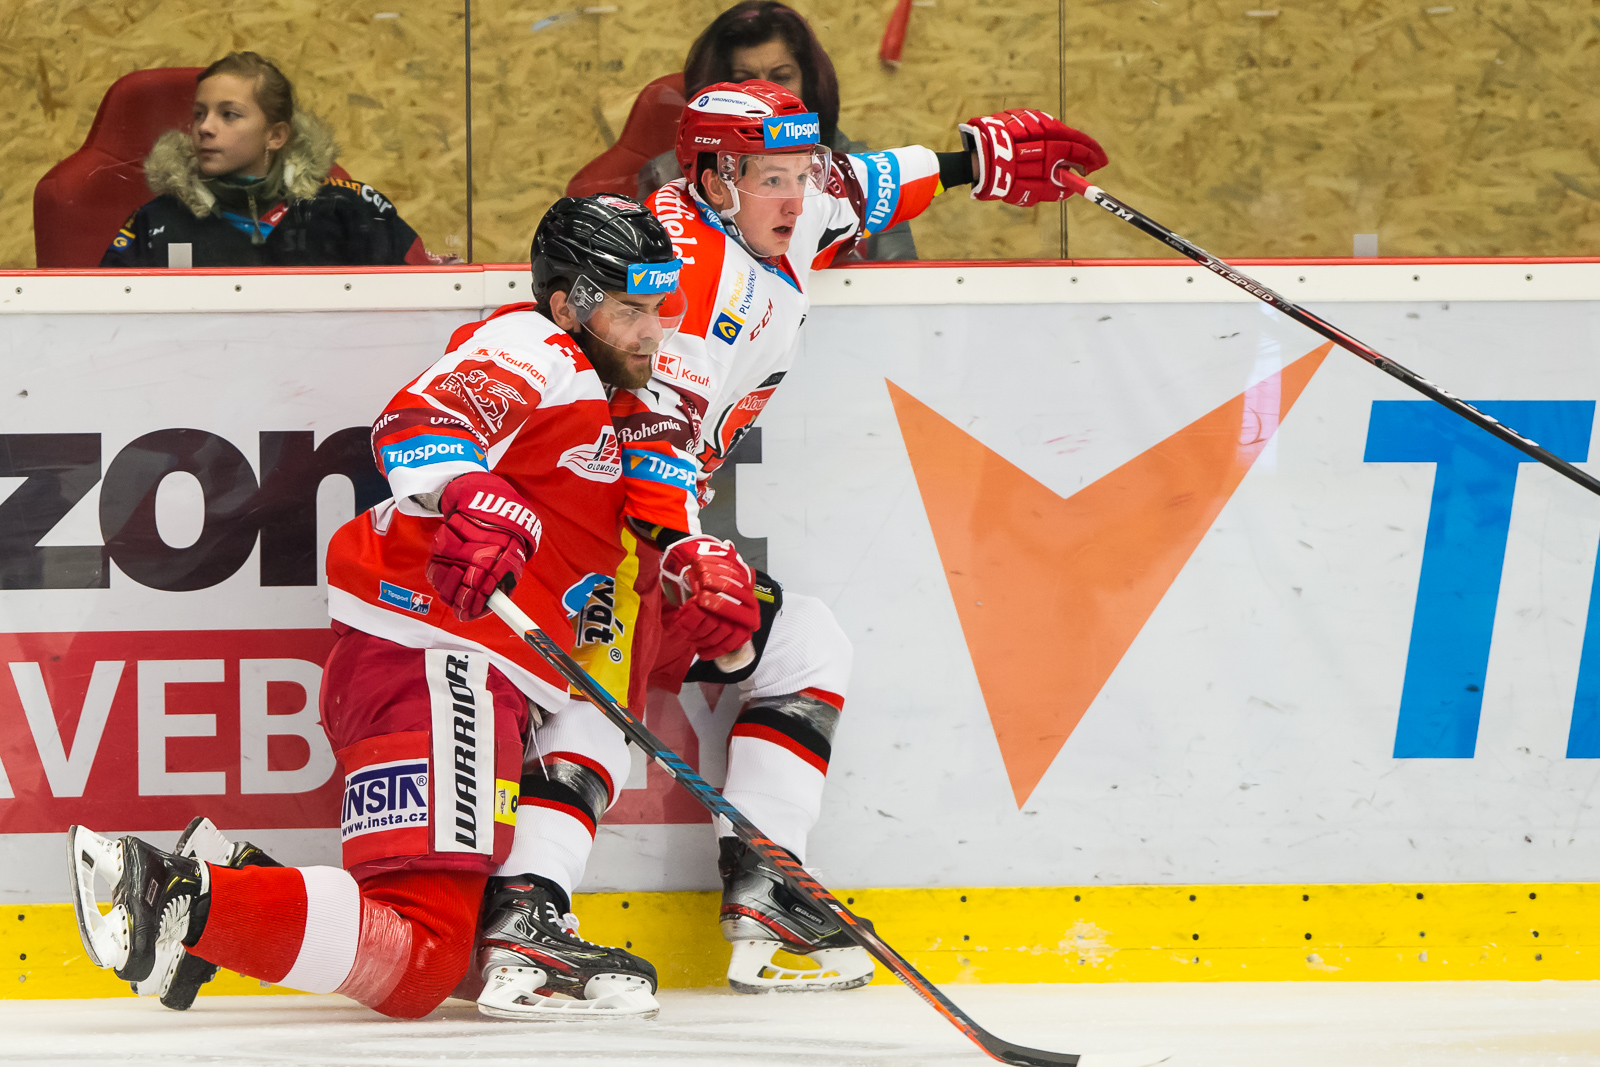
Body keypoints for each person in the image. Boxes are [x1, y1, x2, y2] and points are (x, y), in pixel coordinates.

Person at [64, 194, 724, 1021]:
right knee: (423, 960)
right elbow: (418, 421)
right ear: (568, 305)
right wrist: (471, 492)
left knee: (447, 949)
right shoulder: (534, 346)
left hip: (450, 662)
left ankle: (231, 892)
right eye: (630, 310)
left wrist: (697, 559)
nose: (653, 331)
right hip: (434, 652)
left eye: (662, 307)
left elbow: (658, 496)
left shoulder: (623, 388)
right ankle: (167, 893)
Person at [615, 81, 1106, 994]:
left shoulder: (776, 208)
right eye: (773, 177)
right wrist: (682, 546)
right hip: (610, 529)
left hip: (652, 528)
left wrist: (971, 161)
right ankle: (530, 906)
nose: (797, 195)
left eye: (799, 170)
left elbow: (864, 183)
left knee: (802, 642)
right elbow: (650, 433)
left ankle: (767, 884)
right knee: (586, 700)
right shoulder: (680, 265)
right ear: (714, 179)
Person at [637, 0, 918, 262]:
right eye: (745, 81)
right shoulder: (666, 177)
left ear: (811, 84)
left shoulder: (872, 178)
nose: (765, 94)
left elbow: (904, 289)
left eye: (781, 77)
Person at [100, 51, 439, 268]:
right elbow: (106, 329)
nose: (205, 128)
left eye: (229, 115)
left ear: (275, 135)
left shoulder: (351, 210)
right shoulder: (156, 221)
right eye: (199, 114)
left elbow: (428, 305)